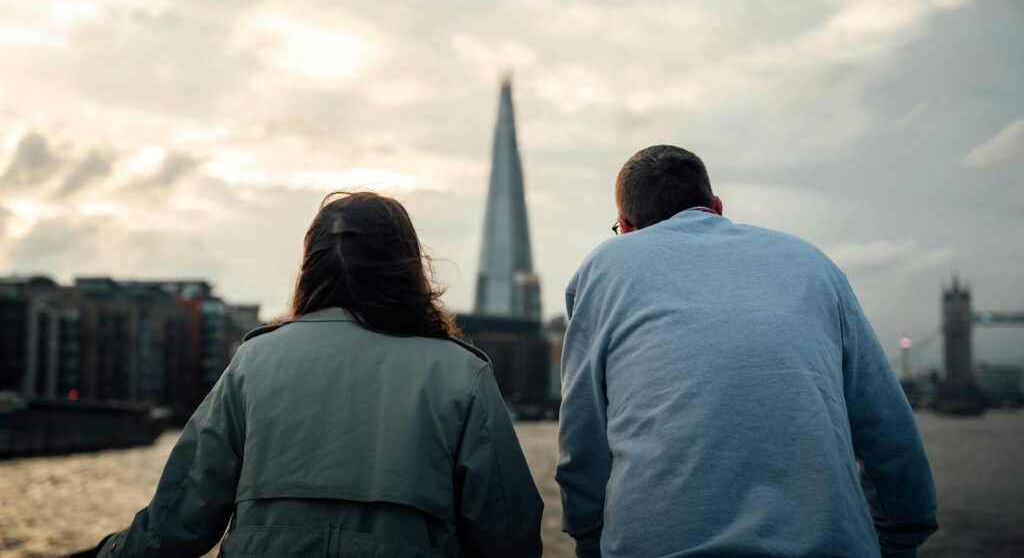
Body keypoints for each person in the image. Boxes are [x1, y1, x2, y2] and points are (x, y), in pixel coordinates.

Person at [77, 191, 543, 558]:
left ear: (310, 267)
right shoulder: (461, 373)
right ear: (408, 268)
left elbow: (178, 521)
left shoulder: (254, 362)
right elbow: (509, 535)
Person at [556, 145, 937, 558]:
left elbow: (583, 442)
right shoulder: (814, 265)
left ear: (626, 230)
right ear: (717, 207)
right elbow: (889, 434)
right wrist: (899, 542)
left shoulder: (604, 269)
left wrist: (589, 541)